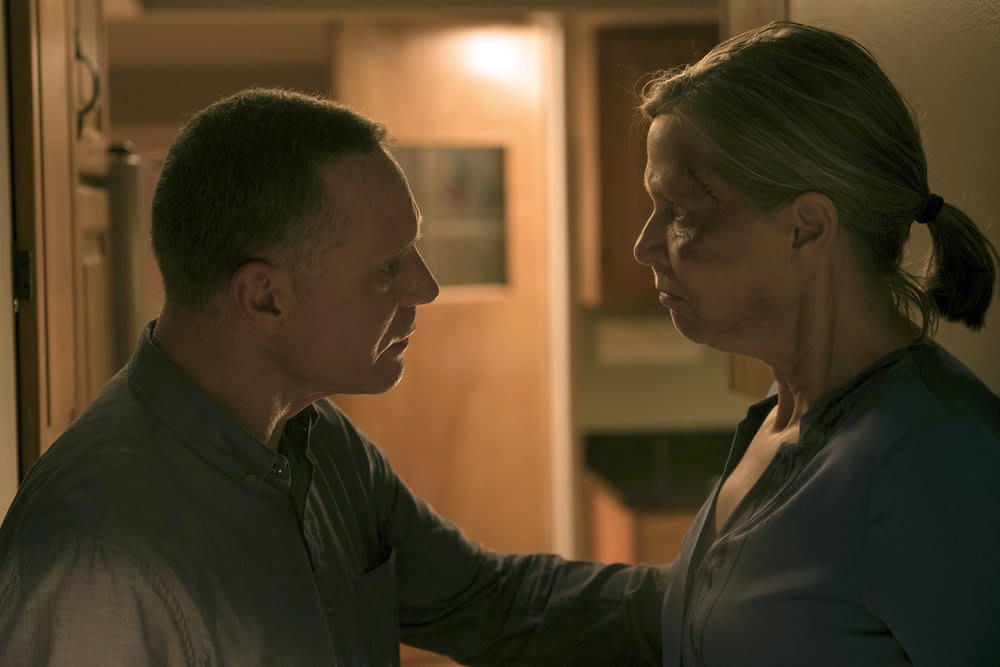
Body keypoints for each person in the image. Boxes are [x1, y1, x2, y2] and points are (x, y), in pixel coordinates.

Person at [0, 87, 668, 665]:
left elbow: (490, 602)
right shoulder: (96, 558)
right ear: (266, 298)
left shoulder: (321, 441)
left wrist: (703, 596)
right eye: (387, 267)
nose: (426, 287)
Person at [633, 20, 1000, 666]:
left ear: (806, 229)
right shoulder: (778, 417)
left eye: (682, 211)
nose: (644, 245)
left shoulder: (937, 459)